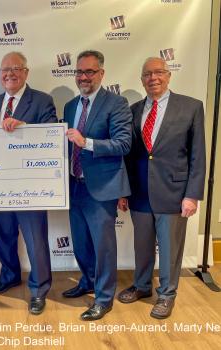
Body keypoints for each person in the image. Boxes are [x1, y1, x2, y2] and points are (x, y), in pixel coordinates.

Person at [117, 57, 206, 319]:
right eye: (147, 74)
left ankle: (167, 294)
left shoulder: (191, 107)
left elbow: (197, 155)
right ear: (141, 79)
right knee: (142, 246)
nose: (153, 78)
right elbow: (128, 156)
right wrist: (123, 191)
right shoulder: (132, 111)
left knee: (169, 249)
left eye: (158, 73)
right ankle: (143, 286)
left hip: (174, 193)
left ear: (168, 76)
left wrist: (192, 194)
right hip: (139, 192)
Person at [0, 51, 57, 315]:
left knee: (35, 239)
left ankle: (39, 289)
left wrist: (24, 126)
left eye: (16, 68)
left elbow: (50, 136)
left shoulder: (42, 101)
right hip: (0, 184)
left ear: (26, 72)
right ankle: (10, 275)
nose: (10, 73)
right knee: (4, 236)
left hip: (30, 185)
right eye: (5, 69)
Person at [63, 50, 132, 321]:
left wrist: (86, 142)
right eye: (79, 72)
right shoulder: (70, 105)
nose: (84, 77)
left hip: (102, 188)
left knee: (103, 247)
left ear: (101, 74)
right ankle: (87, 281)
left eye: (90, 72)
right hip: (74, 185)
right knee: (81, 244)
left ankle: (104, 298)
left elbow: (124, 143)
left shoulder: (116, 103)